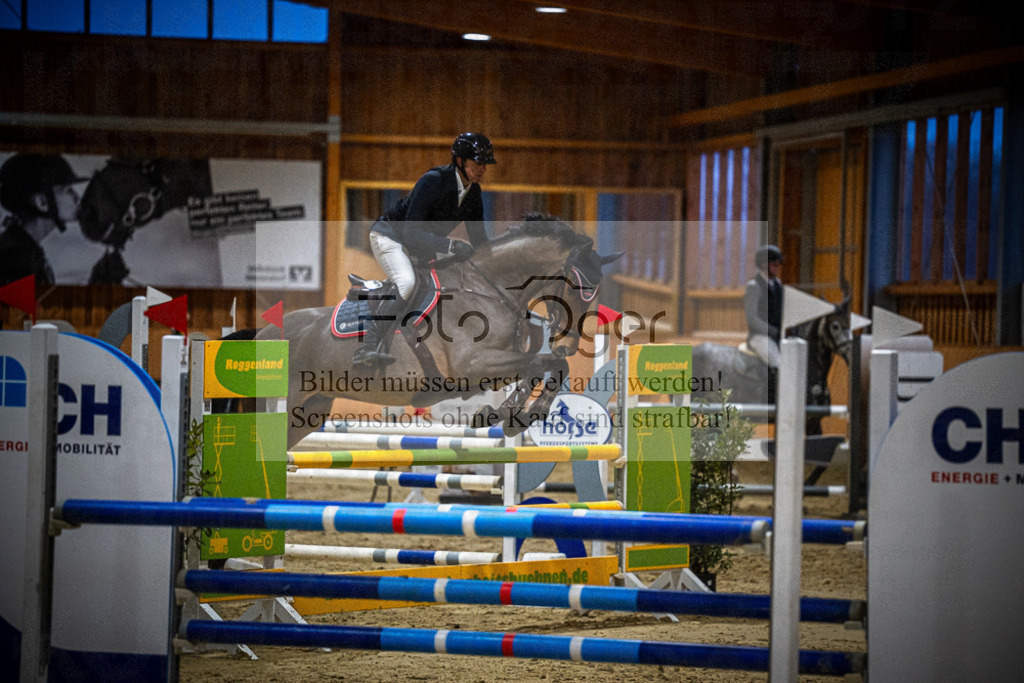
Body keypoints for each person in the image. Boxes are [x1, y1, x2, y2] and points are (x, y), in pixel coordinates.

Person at [352, 132, 496, 368]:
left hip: (418, 245)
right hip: (391, 236)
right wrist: (451, 246)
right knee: (407, 283)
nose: (483, 169)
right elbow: (411, 233)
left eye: (485, 164)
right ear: (460, 161)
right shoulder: (433, 181)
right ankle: (369, 345)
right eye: (478, 162)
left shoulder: (473, 193)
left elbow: (480, 241)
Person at [0, 153, 87, 286]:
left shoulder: (22, 250)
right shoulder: (15, 259)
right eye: (68, 190)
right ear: (42, 203)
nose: (77, 198)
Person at [744, 244, 784, 373]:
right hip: (760, 337)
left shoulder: (778, 284)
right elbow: (752, 318)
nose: (777, 267)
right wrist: (772, 331)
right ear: (764, 265)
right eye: (774, 264)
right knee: (778, 363)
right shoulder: (754, 286)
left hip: (778, 336)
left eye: (778, 264)